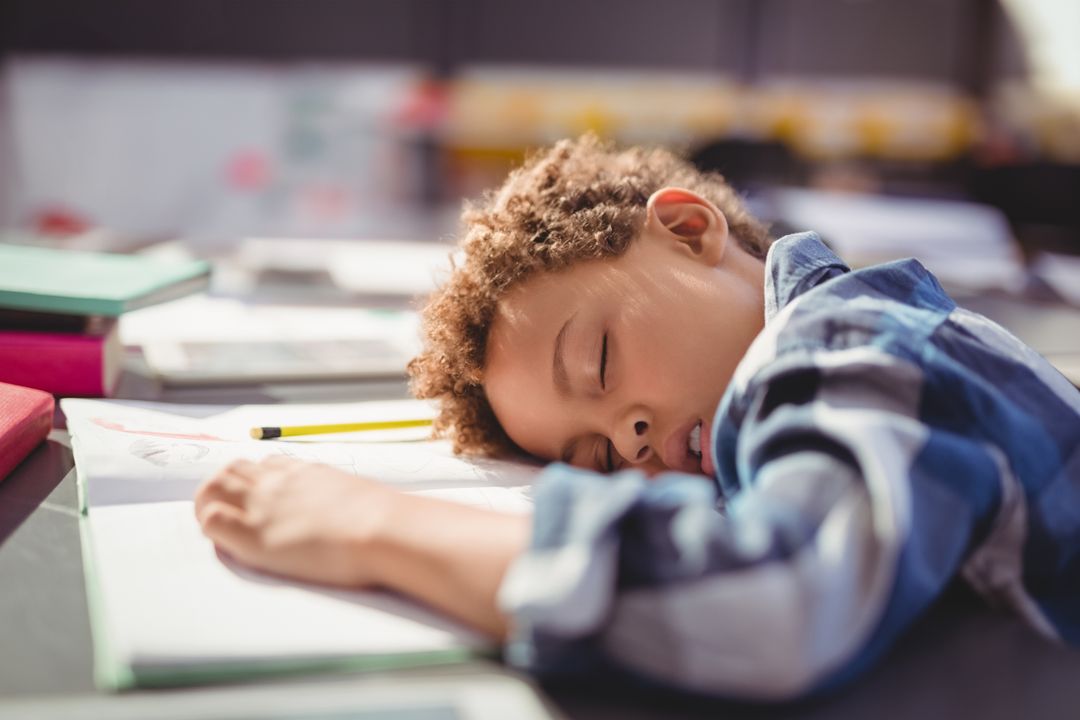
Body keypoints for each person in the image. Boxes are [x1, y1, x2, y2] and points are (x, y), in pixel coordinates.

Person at [194, 135, 1080, 700]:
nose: (631, 441)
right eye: (598, 459)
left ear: (690, 232)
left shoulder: (851, 342)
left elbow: (783, 596)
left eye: (601, 363)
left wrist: (378, 526)